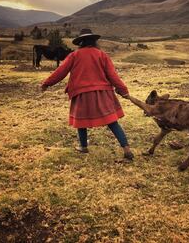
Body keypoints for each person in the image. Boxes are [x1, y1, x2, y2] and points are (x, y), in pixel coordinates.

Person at [40, 28, 134, 160]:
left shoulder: (74, 55)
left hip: (81, 94)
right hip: (102, 93)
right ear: (94, 41)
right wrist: (123, 91)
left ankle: (83, 147)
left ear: (81, 42)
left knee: (81, 122)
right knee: (112, 122)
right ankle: (126, 149)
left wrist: (47, 83)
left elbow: (61, 71)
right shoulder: (102, 55)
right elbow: (113, 76)